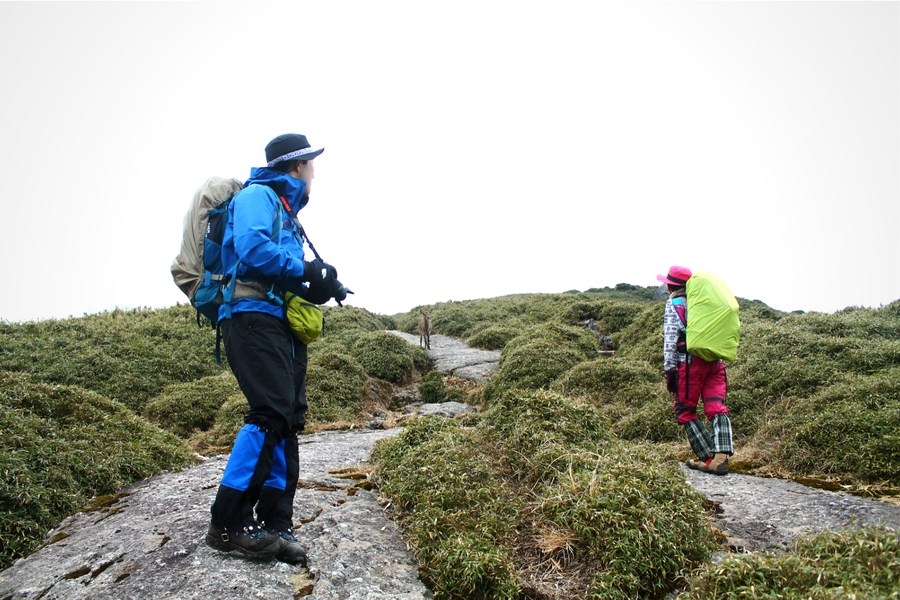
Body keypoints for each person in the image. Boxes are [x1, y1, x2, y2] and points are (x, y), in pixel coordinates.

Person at [205, 133, 348, 564]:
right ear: (296, 167)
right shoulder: (258, 196)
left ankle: (274, 522)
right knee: (269, 413)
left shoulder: (286, 209)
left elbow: (281, 267)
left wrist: (319, 283)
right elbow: (252, 250)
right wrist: (303, 268)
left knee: (287, 418)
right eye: (310, 165)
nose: (313, 174)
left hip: (279, 322)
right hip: (251, 317)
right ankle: (227, 524)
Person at [658, 265, 733, 476]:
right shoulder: (705, 303)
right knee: (716, 406)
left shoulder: (674, 304)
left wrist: (670, 371)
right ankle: (721, 457)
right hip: (715, 360)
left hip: (689, 364)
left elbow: (670, 340)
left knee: (685, 411)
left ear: (671, 285)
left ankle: (708, 457)